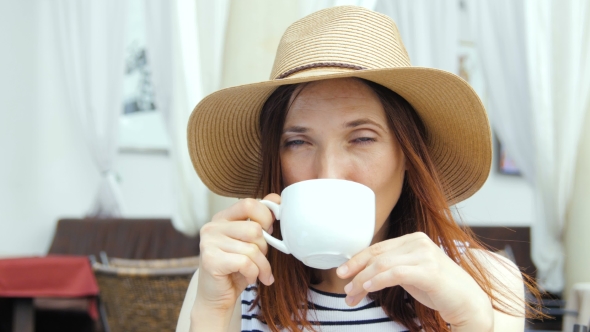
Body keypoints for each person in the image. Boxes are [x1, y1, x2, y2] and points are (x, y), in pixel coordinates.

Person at [177, 6, 541, 332]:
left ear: (408, 157)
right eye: (298, 142)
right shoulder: (231, 283)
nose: (329, 172)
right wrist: (213, 312)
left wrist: (471, 320)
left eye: (362, 138)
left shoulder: (485, 280)